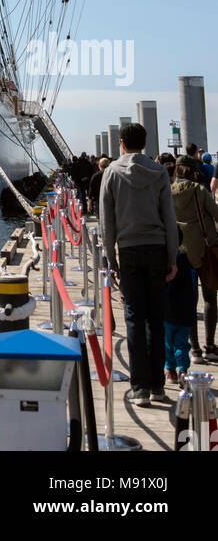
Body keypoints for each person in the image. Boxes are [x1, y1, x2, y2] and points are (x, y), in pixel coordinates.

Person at [99, 122, 178, 406]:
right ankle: (158, 385)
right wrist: (172, 258)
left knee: (133, 316)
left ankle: (139, 386)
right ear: (144, 143)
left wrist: (110, 257)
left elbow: (106, 222)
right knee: (156, 318)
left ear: (121, 142)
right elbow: (169, 218)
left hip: (129, 250)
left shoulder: (111, 172)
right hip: (157, 249)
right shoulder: (158, 173)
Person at [171, 156, 218, 364]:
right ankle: (210, 345)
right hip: (204, 249)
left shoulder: (167, 192)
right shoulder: (199, 191)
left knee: (188, 301)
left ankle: (195, 349)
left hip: (181, 252)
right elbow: (216, 214)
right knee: (210, 299)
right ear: (192, 171)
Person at [164, 227, 198, 383]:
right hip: (186, 312)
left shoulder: (166, 261)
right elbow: (193, 287)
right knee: (182, 343)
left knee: (168, 342)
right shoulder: (187, 260)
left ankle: (170, 370)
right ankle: (183, 370)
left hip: (168, 311)